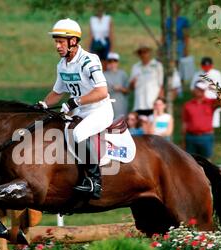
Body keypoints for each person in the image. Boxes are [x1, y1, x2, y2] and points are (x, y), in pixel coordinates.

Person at [36, 18, 114, 199]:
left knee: (78, 134)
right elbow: (57, 92)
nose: (57, 46)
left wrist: (75, 102)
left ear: (73, 41)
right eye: (56, 42)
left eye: (60, 42)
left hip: (99, 110)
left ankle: (95, 181)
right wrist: (43, 105)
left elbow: (102, 91)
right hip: (81, 110)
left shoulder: (89, 60)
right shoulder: (62, 65)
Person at [182, 81, 219, 159]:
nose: (200, 91)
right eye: (198, 89)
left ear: (205, 90)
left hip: (206, 137)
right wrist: (184, 140)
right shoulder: (188, 105)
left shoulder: (211, 102)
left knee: (207, 162)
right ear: (194, 89)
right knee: (191, 161)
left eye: (202, 89)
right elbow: (185, 123)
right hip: (190, 137)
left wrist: (215, 90)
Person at [130, 44, 164, 116]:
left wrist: (159, 101)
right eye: (141, 53)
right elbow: (131, 87)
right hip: (140, 103)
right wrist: (133, 82)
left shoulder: (157, 65)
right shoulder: (135, 67)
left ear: (149, 53)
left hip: (153, 102)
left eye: (145, 52)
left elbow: (161, 85)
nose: (143, 55)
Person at [104, 52, 129, 118]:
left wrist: (120, 88)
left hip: (121, 106)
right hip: (107, 107)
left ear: (117, 62)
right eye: (110, 61)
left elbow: (128, 90)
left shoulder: (123, 74)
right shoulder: (103, 75)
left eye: (114, 61)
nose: (112, 63)